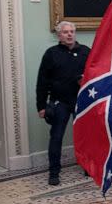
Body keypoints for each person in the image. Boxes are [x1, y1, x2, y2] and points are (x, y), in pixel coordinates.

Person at [36, 21, 90, 186]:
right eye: (65, 32)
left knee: (85, 136)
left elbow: (96, 73)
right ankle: (54, 172)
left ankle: (88, 166)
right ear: (58, 35)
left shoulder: (85, 51)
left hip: (82, 101)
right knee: (56, 137)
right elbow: (42, 81)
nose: (69, 34)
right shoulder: (51, 54)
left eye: (72, 31)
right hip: (60, 102)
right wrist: (41, 106)